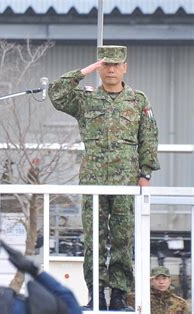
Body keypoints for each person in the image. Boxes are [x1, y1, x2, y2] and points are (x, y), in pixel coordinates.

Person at [48, 45, 160, 311]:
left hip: (126, 181)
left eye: (115, 65)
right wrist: (84, 71)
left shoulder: (138, 100)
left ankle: (119, 295)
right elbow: (56, 93)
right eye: (105, 65)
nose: (111, 70)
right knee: (94, 239)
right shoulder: (86, 99)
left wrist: (145, 173)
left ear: (125, 68)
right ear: (100, 68)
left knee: (123, 239)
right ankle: (96, 293)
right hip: (94, 180)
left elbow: (149, 137)